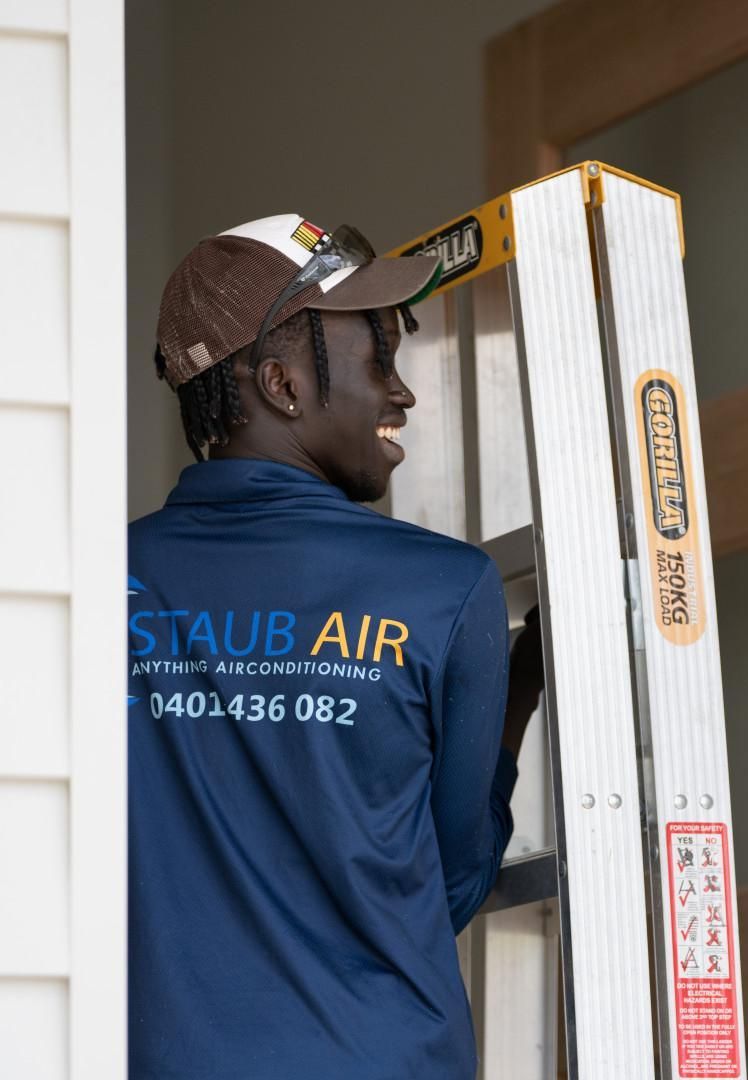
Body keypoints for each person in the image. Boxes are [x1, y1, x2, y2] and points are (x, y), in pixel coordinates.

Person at [128, 213, 544, 1079]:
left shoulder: (90, 588)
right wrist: (516, 699)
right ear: (282, 385)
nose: (404, 394)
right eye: (378, 361)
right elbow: (452, 887)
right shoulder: (443, 590)